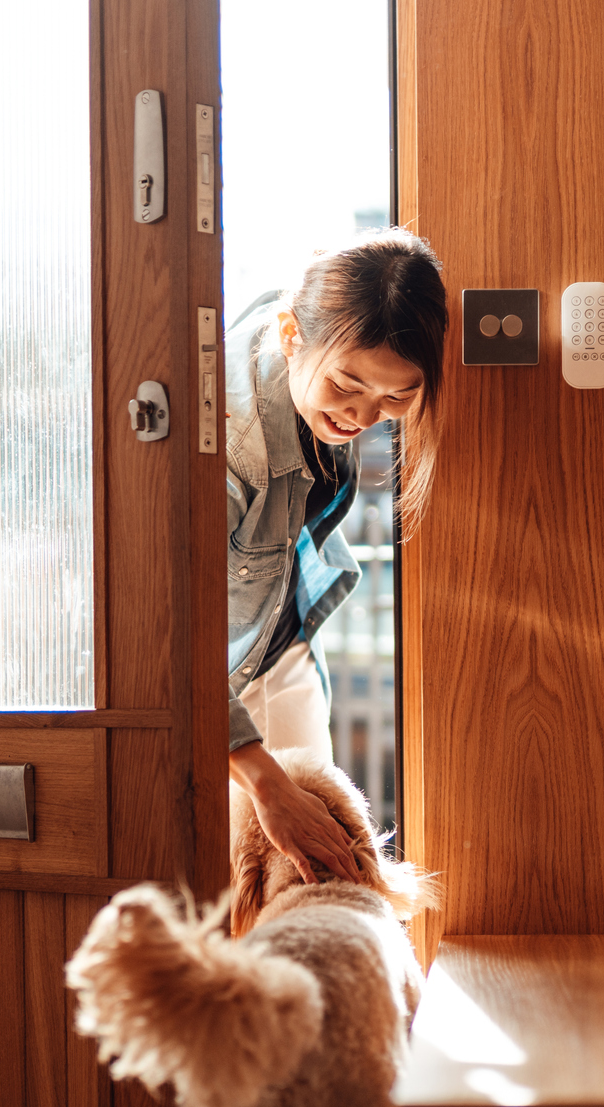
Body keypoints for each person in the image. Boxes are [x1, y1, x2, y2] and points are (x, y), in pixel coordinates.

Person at [224, 229, 447, 883]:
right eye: (346, 385)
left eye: (395, 398)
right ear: (291, 336)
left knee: (318, 874)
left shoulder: (315, 334)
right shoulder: (229, 453)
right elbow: (167, 651)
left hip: (276, 641)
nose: (361, 415)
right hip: (202, 674)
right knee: (232, 891)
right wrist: (266, 786)